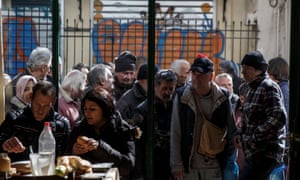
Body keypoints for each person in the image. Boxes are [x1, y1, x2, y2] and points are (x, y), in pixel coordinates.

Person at [170, 53, 237, 180]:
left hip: (214, 166)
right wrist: (176, 164)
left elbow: (231, 130)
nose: (196, 78)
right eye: (194, 74)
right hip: (189, 166)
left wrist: (226, 159)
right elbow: (176, 131)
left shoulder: (222, 97)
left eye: (200, 75)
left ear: (211, 76)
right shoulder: (182, 96)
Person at [235, 51, 287, 180]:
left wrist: (255, 137)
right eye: (243, 68)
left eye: (247, 69)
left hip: (265, 153)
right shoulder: (250, 88)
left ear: (258, 70)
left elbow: (278, 117)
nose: (243, 72)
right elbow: (251, 119)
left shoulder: (268, 87)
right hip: (253, 154)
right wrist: (240, 134)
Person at [65, 87, 136, 179]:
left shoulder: (122, 129)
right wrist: (73, 152)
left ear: (105, 109)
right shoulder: (79, 129)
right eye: (85, 109)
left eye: (92, 109)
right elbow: (64, 162)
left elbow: (128, 165)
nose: (87, 113)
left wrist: (101, 147)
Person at [0, 81, 71, 162]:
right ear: (31, 98)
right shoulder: (14, 119)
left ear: (54, 102)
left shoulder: (63, 125)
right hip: (18, 173)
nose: (40, 111)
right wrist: (5, 145)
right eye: (37, 104)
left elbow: (68, 156)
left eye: (46, 106)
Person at [131, 69, 177, 179]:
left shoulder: (175, 107)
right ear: (155, 87)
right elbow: (136, 143)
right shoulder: (144, 110)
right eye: (164, 88)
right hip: (151, 164)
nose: (168, 92)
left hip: (170, 163)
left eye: (171, 89)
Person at [5, 47, 52, 114]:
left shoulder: (19, 80)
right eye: (49, 67)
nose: (49, 71)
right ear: (43, 68)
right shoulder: (25, 84)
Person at [215, 73, 240, 180]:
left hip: (231, 149)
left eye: (229, 85)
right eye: (223, 85)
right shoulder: (212, 101)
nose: (227, 88)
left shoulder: (238, 102)